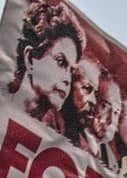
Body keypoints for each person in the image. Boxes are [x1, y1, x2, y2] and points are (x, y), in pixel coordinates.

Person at [8, 0, 83, 133]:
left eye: (71, 71)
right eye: (60, 61)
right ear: (30, 58)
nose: (68, 79)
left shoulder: (57, 132)